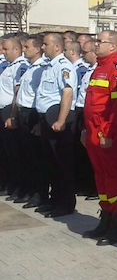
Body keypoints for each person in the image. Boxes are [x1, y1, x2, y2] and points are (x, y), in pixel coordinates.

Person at [80, 30, 117, 245]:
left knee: (114, 178)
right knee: (101, 178)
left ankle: (116, 225)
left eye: (99, 41)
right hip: (94, 135)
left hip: (108, 137)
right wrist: (86, 130)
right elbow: (92, 106)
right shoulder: (98, 69)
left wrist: (108, 133)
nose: (95, 45)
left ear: (112, 47)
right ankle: (106, 217)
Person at [34, 33, 78, 218]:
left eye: (45, 44)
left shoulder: (64, 67)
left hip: (59, 118)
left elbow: (67, 93)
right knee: (50, 163)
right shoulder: (47, 66)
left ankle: (65, 203)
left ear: (57, 47)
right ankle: (54, 200)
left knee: (62, 163)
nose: (42, 48)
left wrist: (60, 120)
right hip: (46, 118)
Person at [15, 35, 47, 208]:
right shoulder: (29, 67)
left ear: (37, 49)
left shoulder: (41, 68)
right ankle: (28, 190)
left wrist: (38, 121)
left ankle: (39, 194)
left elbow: (39, 95)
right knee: (26, 156)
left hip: (33, 113)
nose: (24, 49)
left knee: (36, 158)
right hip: (23, 112)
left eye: (27, 47)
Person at [0, 35, 29, 203]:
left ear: (16, 50)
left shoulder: (21, 66)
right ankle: (9, 184)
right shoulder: (9, 66)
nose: (3, 52)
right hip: (3, 110)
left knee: (16, 153)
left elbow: (16, 92)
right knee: (6, 153)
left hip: (10, 111)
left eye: (6, 49)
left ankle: (19, 186)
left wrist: (12, 115)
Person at [73, 39, 98, 201]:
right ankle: (85, 185)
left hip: (92, 114)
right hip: (82, 110)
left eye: (86, 52)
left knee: (93, 156)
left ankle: (94, 188)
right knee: (82, 152)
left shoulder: (99, 71)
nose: (83, 55)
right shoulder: (90, 70)